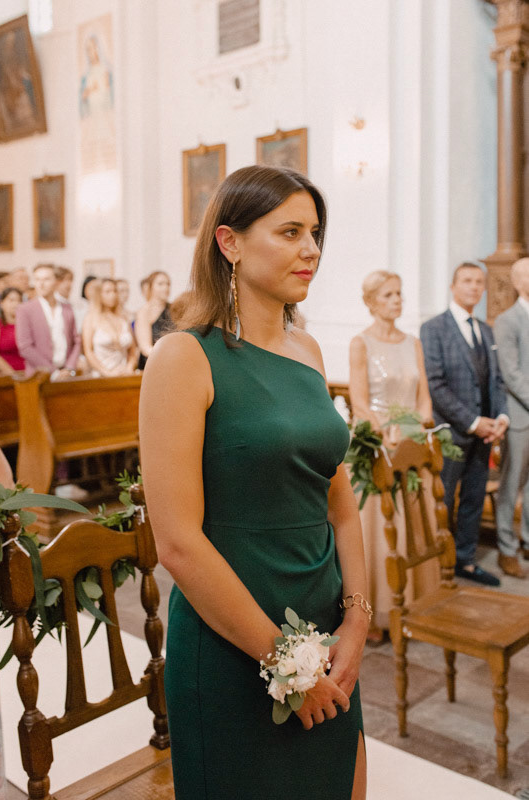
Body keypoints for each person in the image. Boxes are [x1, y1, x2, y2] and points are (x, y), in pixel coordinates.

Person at [139, 165, 368, 800]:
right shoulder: (184, 357)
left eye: (315, 233)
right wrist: (285, 663)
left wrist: (356, 621)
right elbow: (177, 543)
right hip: (233, 640)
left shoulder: (308, 351)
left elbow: (341, 508)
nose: (311, 249)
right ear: (230, 242)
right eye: (290, 232)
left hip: (325, 625)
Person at [349, 270, 438, 637]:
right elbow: (359, 401)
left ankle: (417, 604)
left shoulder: (412, 343)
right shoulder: (361, 343)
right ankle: (375, 612)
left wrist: (420, 426)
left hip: (412, 444)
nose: (397, 300)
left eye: (399, 293)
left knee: (416, 524)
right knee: (380, 531)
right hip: (380, 447)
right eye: (388, 295)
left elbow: (424, 397)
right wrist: (383, 434)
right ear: (371, 302)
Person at [420, 262, 509, 586]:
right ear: (453, 286)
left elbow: (496, 380)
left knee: (473, 499)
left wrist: (500, 418)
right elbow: (435, 384)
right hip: (452, 432)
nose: (474, 287)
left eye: (479, 282)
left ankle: (466, 561)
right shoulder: (434, 328)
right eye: (467, 280)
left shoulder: (485, 330)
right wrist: (472, 422)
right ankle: (437, 566)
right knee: (444, 500)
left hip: (485, 434)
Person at [494, 257, 529, 578]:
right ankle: (506, 548)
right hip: (520, 415)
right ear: (517, 282)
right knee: (511, 483)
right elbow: (511, 372)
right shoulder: (508, 320)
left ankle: (527, 541)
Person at [15, 263, 81, 378]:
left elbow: (76, 341)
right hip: (39, 375)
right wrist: (53, 372)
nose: (41, 284)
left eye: (46, 279)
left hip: (66, 373)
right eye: (37, 279)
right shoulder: (25, 309)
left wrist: (69, 367)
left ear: (56, 282)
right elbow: (25, 347)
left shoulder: (67, 308)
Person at [82, 278, 137, 376]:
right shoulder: (90, 318)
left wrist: (129, 367)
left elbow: (132, 351)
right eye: (108, 292)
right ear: (99, 294)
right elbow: (88, 351)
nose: (113, 295)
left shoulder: (123, 318)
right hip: (101, 376)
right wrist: (106, 372)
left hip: (124, 374)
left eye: (115, 291)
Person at [135, 271, 171, 369]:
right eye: (160, 284)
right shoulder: (144, 312)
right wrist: (166, 358)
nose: (165, 288)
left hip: (171, 362)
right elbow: (145, 347)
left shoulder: (173, 309)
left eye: (168, 284)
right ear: (151, 286)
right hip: (152, 364)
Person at [0, 287, 25, 375]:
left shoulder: (26, 324)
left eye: (19, 300)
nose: (16, 304)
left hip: (28, 373)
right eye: (11, 300)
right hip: (5, 376)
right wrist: (13, 375)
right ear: (1, 303)